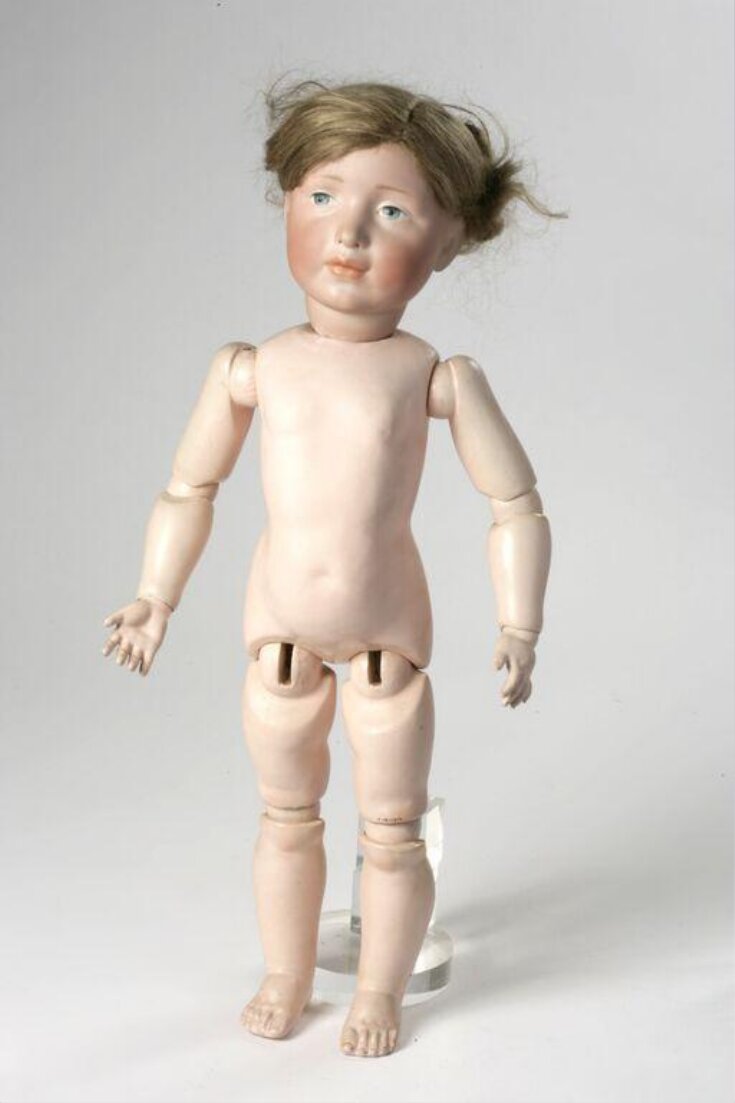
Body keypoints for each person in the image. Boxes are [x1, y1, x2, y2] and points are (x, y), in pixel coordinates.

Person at [102, 80, 557, 1058]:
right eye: (322, 196)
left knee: (390, 829)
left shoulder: (434, 375)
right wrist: (154, 596)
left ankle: (379, 986)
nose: (347, 234)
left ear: (447, 241)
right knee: (285, 815)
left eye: (391, 212)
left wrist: (519, 624)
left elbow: (515, 502)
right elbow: (189, 488)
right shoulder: (252, 367)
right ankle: (287, 970)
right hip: (280, 644)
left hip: (389, 644)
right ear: (286, 203)